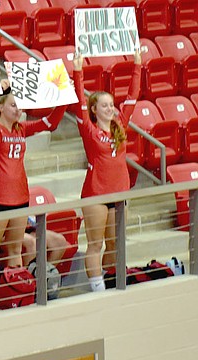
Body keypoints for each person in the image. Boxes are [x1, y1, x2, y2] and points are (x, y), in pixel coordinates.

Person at [0, 71, 67, 301]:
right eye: (13, 105)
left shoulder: (21, 129)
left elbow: (51, 123)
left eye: (20, 107)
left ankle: (17, 293)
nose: (18, 110)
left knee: (15, 249)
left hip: (20, 197)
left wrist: (64, 97)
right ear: (0, 107)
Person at [73, 50, 142, 291]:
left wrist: (137, 64)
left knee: (114, 244)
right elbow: (79, 102)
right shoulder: (89, 130)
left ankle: (111, 281)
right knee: (96, 244)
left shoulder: (120, 124)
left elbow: (133, 94)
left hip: (119, 193)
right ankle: (97, 287)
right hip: (96, 194)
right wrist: (78, 70)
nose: (110, 109)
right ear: (94, 110)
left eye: (112, 105)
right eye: (104, 105)